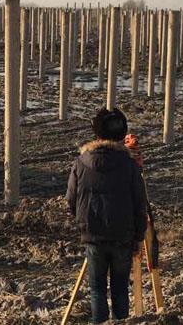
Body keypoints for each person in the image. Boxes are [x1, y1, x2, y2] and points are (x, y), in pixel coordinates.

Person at [66, 108, 147, 324]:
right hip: (123, 236)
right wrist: (139, 236)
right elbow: (141, 203)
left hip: (94, 236)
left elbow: (71, 199)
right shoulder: (129, 165)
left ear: (97, 134)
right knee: (120, 289)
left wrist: (84, 223)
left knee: (97, 290)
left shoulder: (81, 162)